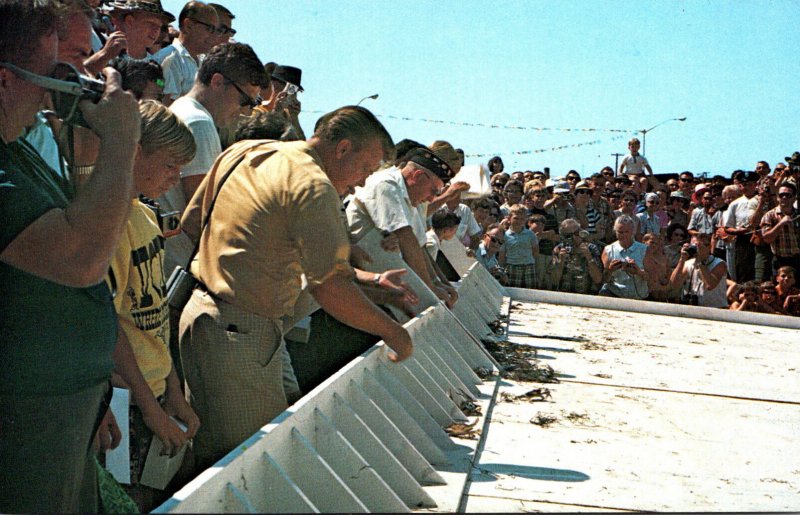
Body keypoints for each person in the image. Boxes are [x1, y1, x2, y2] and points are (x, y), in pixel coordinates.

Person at [180, 106, 413, 471]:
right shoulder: (314, 187)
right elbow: (330, 289)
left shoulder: (248, 152)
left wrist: (240, 266)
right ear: (343, 149)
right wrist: (393, 332)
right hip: (243, 335)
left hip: (198, 316)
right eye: (365, 169)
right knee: (249, 469)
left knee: (210, 458)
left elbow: (192, 221)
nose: (360, 183)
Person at [0, 1, 141, 511]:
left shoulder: (17, 149)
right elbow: (83, 258)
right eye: (50, 74)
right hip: (28, 413)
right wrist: (122, 141)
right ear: (4, 81)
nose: (53, 91)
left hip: (60, 402)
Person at [105, 101, 200, 511]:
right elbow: (105, 326)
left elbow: (156, 318)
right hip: (127, 402)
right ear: (134, 150)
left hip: (156, 391)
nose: (176, 178)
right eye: (169, 165)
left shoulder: (145, 216)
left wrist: (174, 391)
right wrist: (150, 408)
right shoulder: (108, 223)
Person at [160, 41, 267, 275]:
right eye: (245, 101)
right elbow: (202, 215)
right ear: (218, 82)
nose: (245, 111)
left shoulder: (182, 109)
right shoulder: (199, 123)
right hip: (179, 266)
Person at [346, 146, 459, 307]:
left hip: (380, 286)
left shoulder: (413, 199)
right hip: (356, 286)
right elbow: (407, 238)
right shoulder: (386, 185)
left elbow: (419, 248)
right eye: (433, 191)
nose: (432, 198)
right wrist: (430, 289)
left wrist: (438, 282)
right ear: (418, 176)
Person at [157, 1, 219, 103]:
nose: (215, 36)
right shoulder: (170, 58)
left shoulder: (203, 62)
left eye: (217, 31)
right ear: (188, 25)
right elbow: (169, 108)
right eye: (210, 28)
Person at [669, 233, 728, 308]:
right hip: (693, 308)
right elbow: (673, 284)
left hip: (715, 310)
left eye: (699, 246)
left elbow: (710, 285)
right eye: (694, 246)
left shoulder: (719, 264)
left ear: (709, 247)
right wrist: (682, 259)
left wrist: (700, 262)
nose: (697, 249)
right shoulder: (689, 263)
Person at [600, 215, 651, 299]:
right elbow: (604, 280)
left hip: (639, 295)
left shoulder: (644, 250)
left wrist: (638, 271)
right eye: (620, 232)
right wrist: (610, 270)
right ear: (615, 232)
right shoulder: (608, 250)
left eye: (626, 232)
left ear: (633, 232)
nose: (623, 235)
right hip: (614, 294)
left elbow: (650, 277)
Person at [723, 171, 760, 282]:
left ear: (755, 185)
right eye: (744, 185)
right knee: (743, 272)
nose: (746, 187)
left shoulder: (761, 200)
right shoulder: (735, 204)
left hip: (760, 238)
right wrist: (738, 231)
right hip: (742, 241)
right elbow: (727, 227)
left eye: (750, 184)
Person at [106, 0, 175, 60]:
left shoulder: (157, 64)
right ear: (130, 21)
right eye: (151, 24)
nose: (156, 30)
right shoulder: (107, 57)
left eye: (159, 26)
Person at [550, 219, 602, 295]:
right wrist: (561, 261)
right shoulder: (559, 249)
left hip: (587, 294)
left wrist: (589, 257)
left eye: (577, 233)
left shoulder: (591, 248)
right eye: (569, 236)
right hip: (564, 294)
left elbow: (598, 279)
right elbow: (554, 281)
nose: (574, 237)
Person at [760, 183, 800, 275]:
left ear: (794, 198)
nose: (784, 198)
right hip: (780, 260)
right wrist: (781, 223)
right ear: (778, 198)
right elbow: (767, 239)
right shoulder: (770, 215)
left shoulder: (798, 214)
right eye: (782, 195)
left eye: (788, 195)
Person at [501, 204, 539, 288]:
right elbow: (502, 255)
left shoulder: (530, 234)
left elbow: (535, 251)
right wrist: (502, 272)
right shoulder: (505, 236)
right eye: (516, 218)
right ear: (509, 218)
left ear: (525, 219)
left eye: (522, 219)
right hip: (512, 267)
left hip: (529, 267)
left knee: (530, 292)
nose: (519, 221)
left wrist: (533, 265)